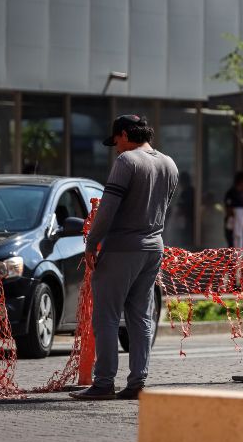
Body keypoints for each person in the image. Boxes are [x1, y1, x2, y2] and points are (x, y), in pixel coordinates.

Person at [70, 114, 179, 400]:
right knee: (141, 316)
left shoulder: (126, 162)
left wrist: (92, 243)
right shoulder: (169, 164)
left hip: (121, 248)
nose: (116, 147)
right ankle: (137, 383)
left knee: (106, 316)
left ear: (124, 134)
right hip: (154, 246)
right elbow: (163, 206)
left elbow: (107, 209)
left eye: (116, 140)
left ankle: (104, 382)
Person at [224, 172, 243, 248]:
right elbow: (228, 208)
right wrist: (235, 214)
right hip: (232, 223)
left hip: (241, 224)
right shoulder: (231, 193)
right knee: (232, 245)